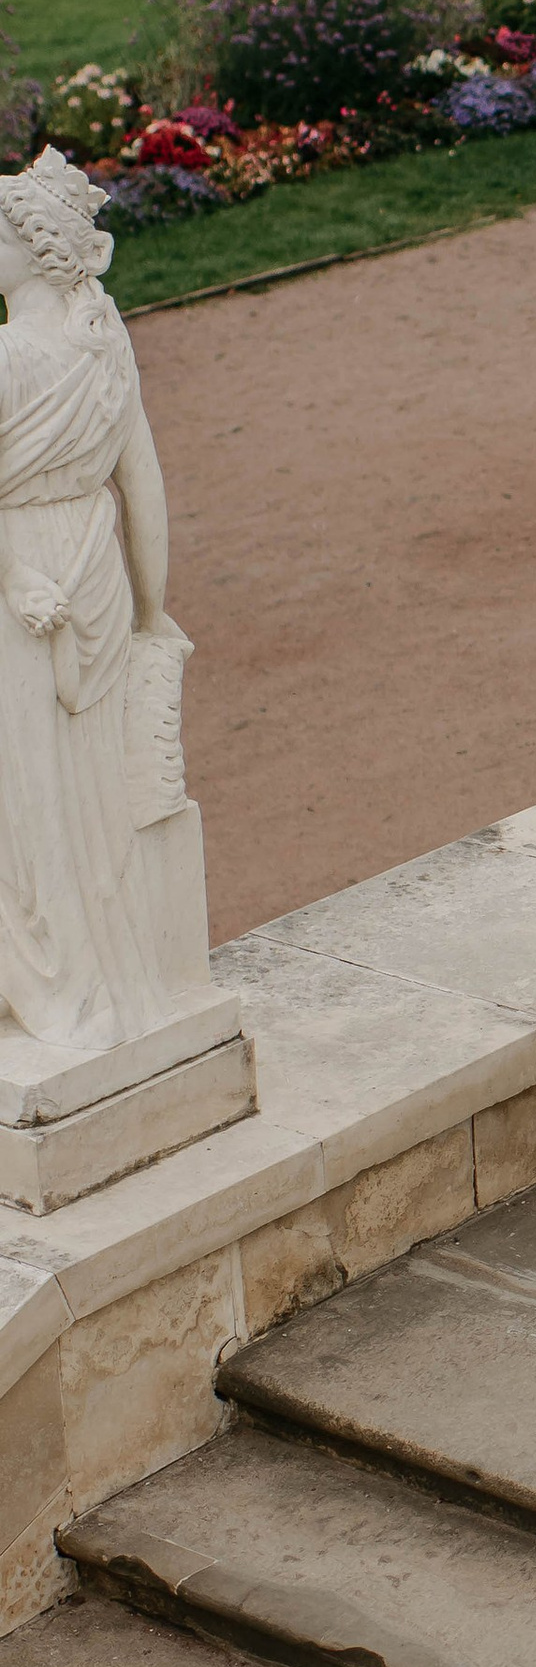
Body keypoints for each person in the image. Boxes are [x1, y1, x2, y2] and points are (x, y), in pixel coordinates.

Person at [0, 148, 191, 1052]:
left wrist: (12, 576)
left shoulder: (8, 359)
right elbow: (143, 484)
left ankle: (56, 987)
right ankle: (117, 979)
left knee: (28, 795)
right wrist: (152, 613)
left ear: (33, 249)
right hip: (96, 573)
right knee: (94, 793)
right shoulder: (105, 345)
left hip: (23, 583)